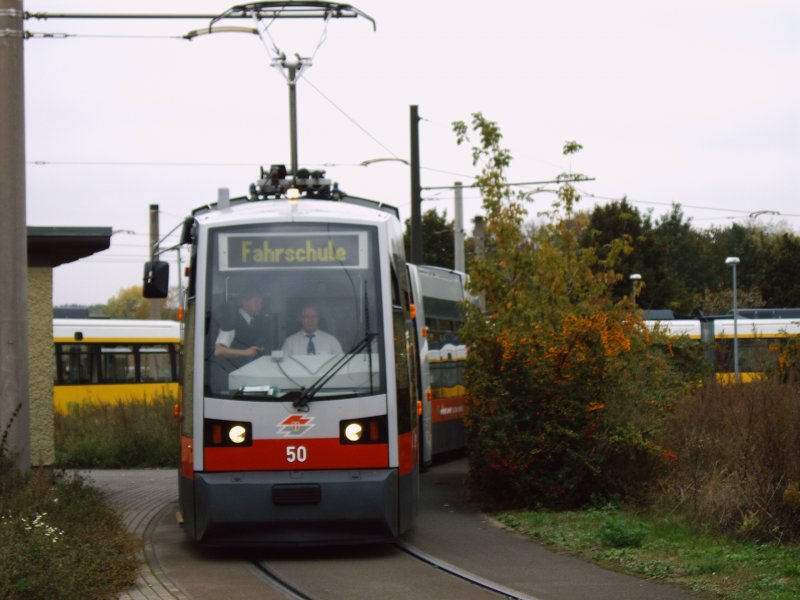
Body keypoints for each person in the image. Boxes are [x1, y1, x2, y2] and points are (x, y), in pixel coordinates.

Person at [212, 288, 269, 377]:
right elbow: (219, 350)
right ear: (244, 302)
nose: (260, 306)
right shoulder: (231, 320)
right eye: (256, 302)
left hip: (248, 374)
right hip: (230, 373)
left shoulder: (256, 323)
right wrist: (245, 352)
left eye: (261, 303)